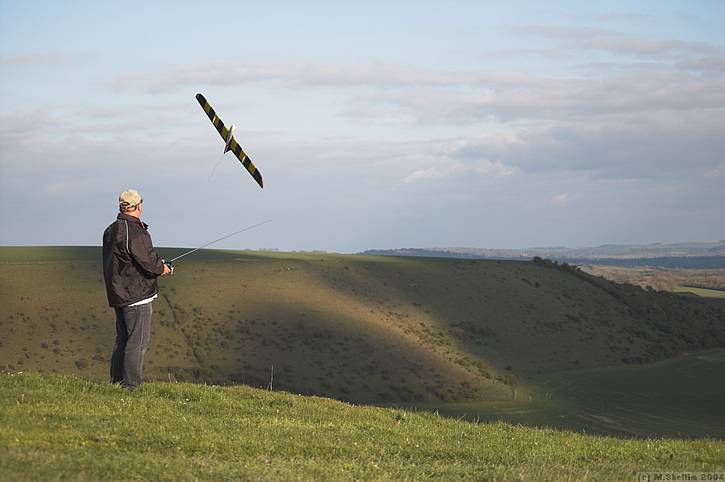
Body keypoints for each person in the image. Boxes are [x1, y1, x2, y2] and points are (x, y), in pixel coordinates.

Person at [102, 189, 171, 390]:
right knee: (137, 342)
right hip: (136, 295)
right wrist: (163, 268)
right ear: (138, 206)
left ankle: (116, 382)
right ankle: (131, 386)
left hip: (118, 293)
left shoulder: (111, 230)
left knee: (122, 339)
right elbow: (148, 262)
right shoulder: (136, 232)